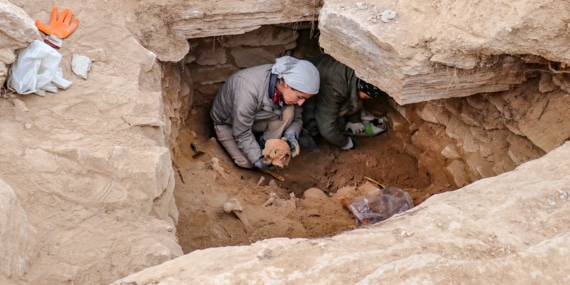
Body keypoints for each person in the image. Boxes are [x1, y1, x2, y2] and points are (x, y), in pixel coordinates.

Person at [210, 56, 320, 171]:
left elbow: (297, 118)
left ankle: (264, 144)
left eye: (305, 99)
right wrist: (259, 159)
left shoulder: (281, 80)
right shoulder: (248, 90)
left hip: (255, 118)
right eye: (300, 97)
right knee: (247, 162)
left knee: (289, 111)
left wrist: (291, 135)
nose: (301, 103)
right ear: (287, 85)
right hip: (229, 124)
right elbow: (241, 132)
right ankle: (258, 150)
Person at [301, 54, 388, 151]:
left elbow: (352, 94)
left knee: (356, 103)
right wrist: (345, 143)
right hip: (306, 103)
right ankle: (321, 130)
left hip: (320, 72)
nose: (366, 99)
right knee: (323, 121)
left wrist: (354, 121)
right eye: (367, 97)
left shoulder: (351, 73)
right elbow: (326, 127)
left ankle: (348, 124)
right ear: (361, 88)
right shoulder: (335, 89)